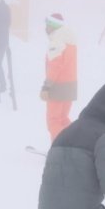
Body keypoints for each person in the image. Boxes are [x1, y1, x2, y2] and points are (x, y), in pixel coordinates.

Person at [39, 13, 77, 141]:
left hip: (58, 87)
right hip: (70, 86)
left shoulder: (57, 41)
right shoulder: (69, 40)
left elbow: (55, 66)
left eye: (47, 25)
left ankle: (59, 150)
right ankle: (74, 145)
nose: (45, 28)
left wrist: (46, 87)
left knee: (53, 121)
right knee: (63, 119)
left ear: (53, 26)